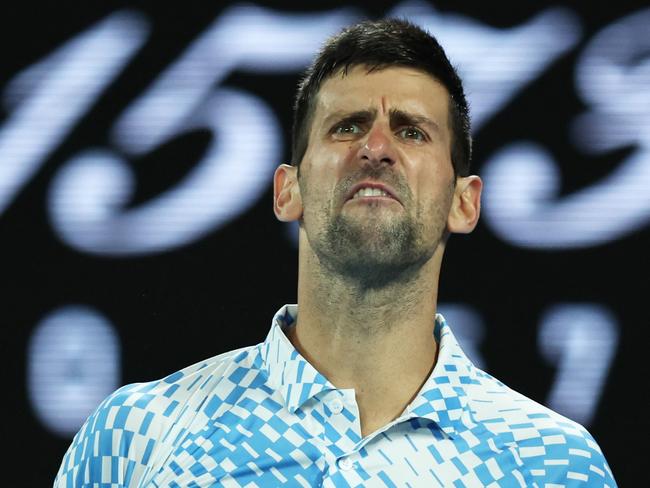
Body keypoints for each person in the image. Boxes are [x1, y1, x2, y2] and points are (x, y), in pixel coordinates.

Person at [54, 19, 616, 487]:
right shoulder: (137, 437)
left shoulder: (553, 464)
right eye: (347, 127)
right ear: (287, 190)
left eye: (412, 132)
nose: (376, 148)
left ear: (464, 203)